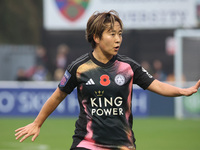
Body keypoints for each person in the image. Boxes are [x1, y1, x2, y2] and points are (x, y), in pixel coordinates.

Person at [15, 10, 200, 150]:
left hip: (122, 144)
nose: (118, 39)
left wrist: (182, 90)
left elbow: (157, 85)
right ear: (96, 37)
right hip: (86, 142)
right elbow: (57, 96)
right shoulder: (79, 68)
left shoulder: (128, 67)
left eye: (120, 34)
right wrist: (37, 123)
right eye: (112, 34)